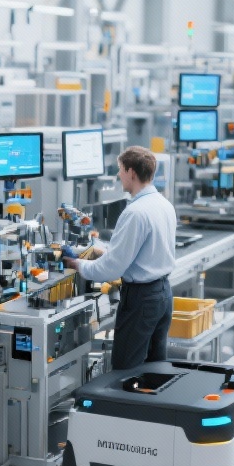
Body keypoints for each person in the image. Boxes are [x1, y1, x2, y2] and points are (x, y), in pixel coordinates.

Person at [63, 146, 177, 371]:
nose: (118, 175)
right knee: (154, 368)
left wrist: (77, 264)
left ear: (132, 172)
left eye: (121, 170)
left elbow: (112, 269)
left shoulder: (135, 212)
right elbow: (143, 253)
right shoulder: (164, 205)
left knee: (126, 368)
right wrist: (103, 252)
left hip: (141, 299)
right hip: (162, 294)